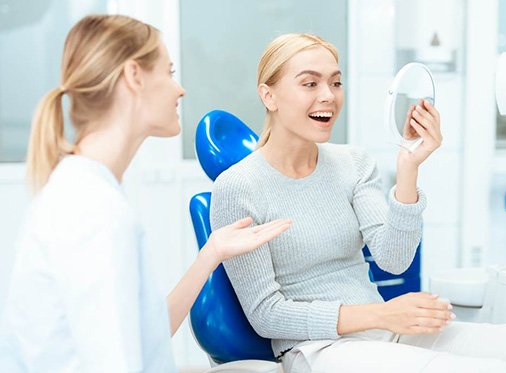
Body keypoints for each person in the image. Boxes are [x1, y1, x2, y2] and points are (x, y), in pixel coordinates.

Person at [210, 33, 506, 373]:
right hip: (318, 350)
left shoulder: (353, 163)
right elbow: (267, 316)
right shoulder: (238, 187)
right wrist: (383, 313)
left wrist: (409, 166)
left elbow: (394, 259)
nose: (328, 95)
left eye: (335, 82)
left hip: (385, 331)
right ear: (268, 95)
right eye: (309, 83)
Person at [0, 15, 291, 372]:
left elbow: (145, 336)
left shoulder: (86, 191)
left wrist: (211, 253)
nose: (179, 89)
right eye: (168, 72)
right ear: (134, 76)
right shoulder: (92, 211)